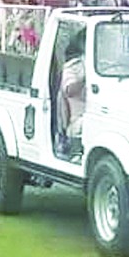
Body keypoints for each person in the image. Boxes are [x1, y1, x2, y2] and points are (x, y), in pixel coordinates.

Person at [57, 30, 86, 161]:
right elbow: (69, 90)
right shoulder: (74, 67)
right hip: (79, 119)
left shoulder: (108, 65)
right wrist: (86, 78)